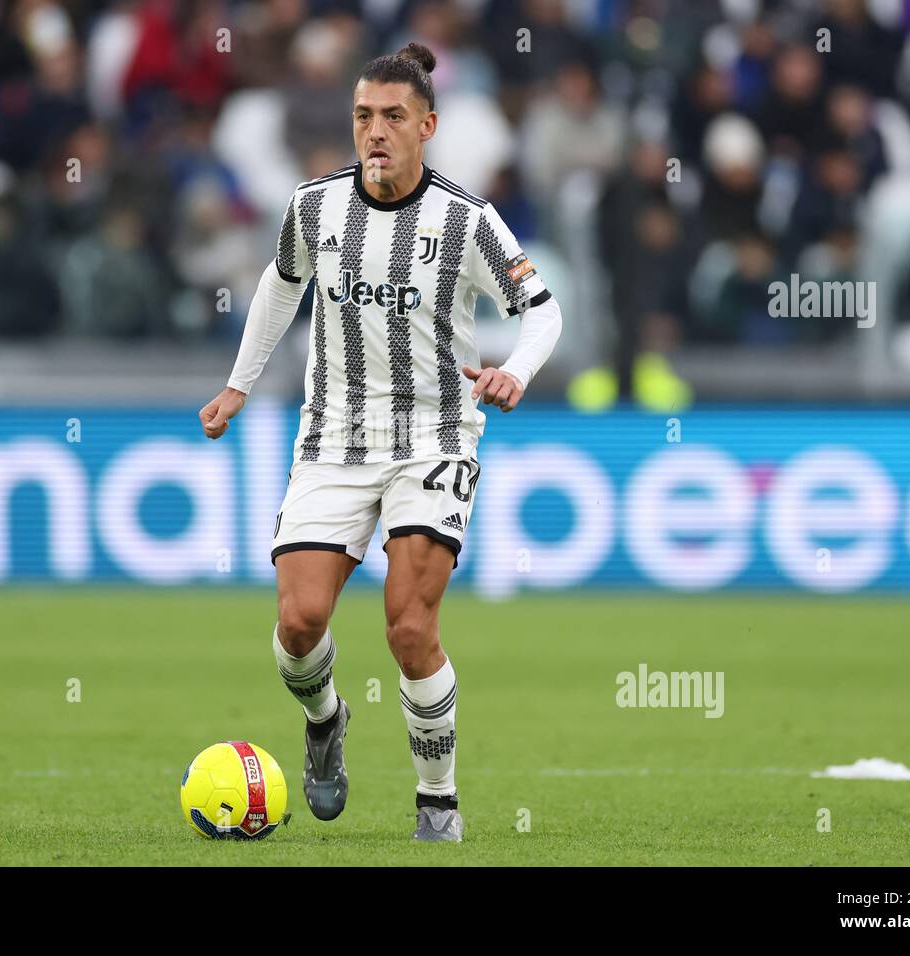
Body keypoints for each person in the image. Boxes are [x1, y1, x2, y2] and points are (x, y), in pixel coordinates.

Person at [198, 42, 562, 842]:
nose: (375, 131)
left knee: (408, 625)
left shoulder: (467, 219)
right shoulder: (315, 205)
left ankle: (438, 799)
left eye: (393, 116)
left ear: (427, 125)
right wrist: (240, 383)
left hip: (434, 438)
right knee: (299, 626)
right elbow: (280, 283)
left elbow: (543, 309)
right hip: (331, 439)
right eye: (364, 115)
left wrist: (518, 371)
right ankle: (325, 720)